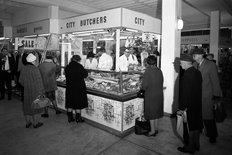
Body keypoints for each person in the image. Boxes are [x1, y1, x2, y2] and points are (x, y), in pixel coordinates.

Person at [192, 48, 222, 143]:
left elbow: (215, 81)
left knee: (208, 117)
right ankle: (200, 129)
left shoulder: (211, 65)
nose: (193, 58)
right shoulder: (194, 64)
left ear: (201, 55)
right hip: (196, 95)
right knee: (198, 115)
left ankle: (212, 135)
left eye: (195, 56)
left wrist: (216, 96)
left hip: (206, 96)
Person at [177, 54, 203, 154]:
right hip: (197, 103)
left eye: (181, 62)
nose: (180, 64)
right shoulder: (197, 72)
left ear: (186, 63)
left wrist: (182, 108)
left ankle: (189, 147)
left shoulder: (187, 74)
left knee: (189, 127)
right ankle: (196, 145)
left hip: (189, 106)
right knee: (196, 126)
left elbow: (185, 93)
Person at [19, 53, 44, 128]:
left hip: (26, 92)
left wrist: (26, 86)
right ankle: (35, 123)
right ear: (33, 61)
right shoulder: (35, 69)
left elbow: (20, 81)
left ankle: (28, 123)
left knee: (26, 107)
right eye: (35, 60)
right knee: (35, 107)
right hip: (35, 92)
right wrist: (42, 92)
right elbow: (39, 82)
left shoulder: (23, 68)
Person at [141, 55, 164, 136]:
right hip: (159, 94)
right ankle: (156, 128)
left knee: (151, 114)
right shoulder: (159, 70)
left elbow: (145, 86)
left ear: (148, 62)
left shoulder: (148, 71)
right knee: (156, 112)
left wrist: (142, 86)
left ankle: (152, 131)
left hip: (151, 95)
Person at [65, 55, 88, 123]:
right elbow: (85, 75)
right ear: (78, 60)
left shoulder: (67, 67)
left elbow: (66, 75)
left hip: (70, 87)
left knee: (70, 103)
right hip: (78, 88)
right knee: (78, 104)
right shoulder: (79, 66)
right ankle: (78, 119)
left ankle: (70, 118)